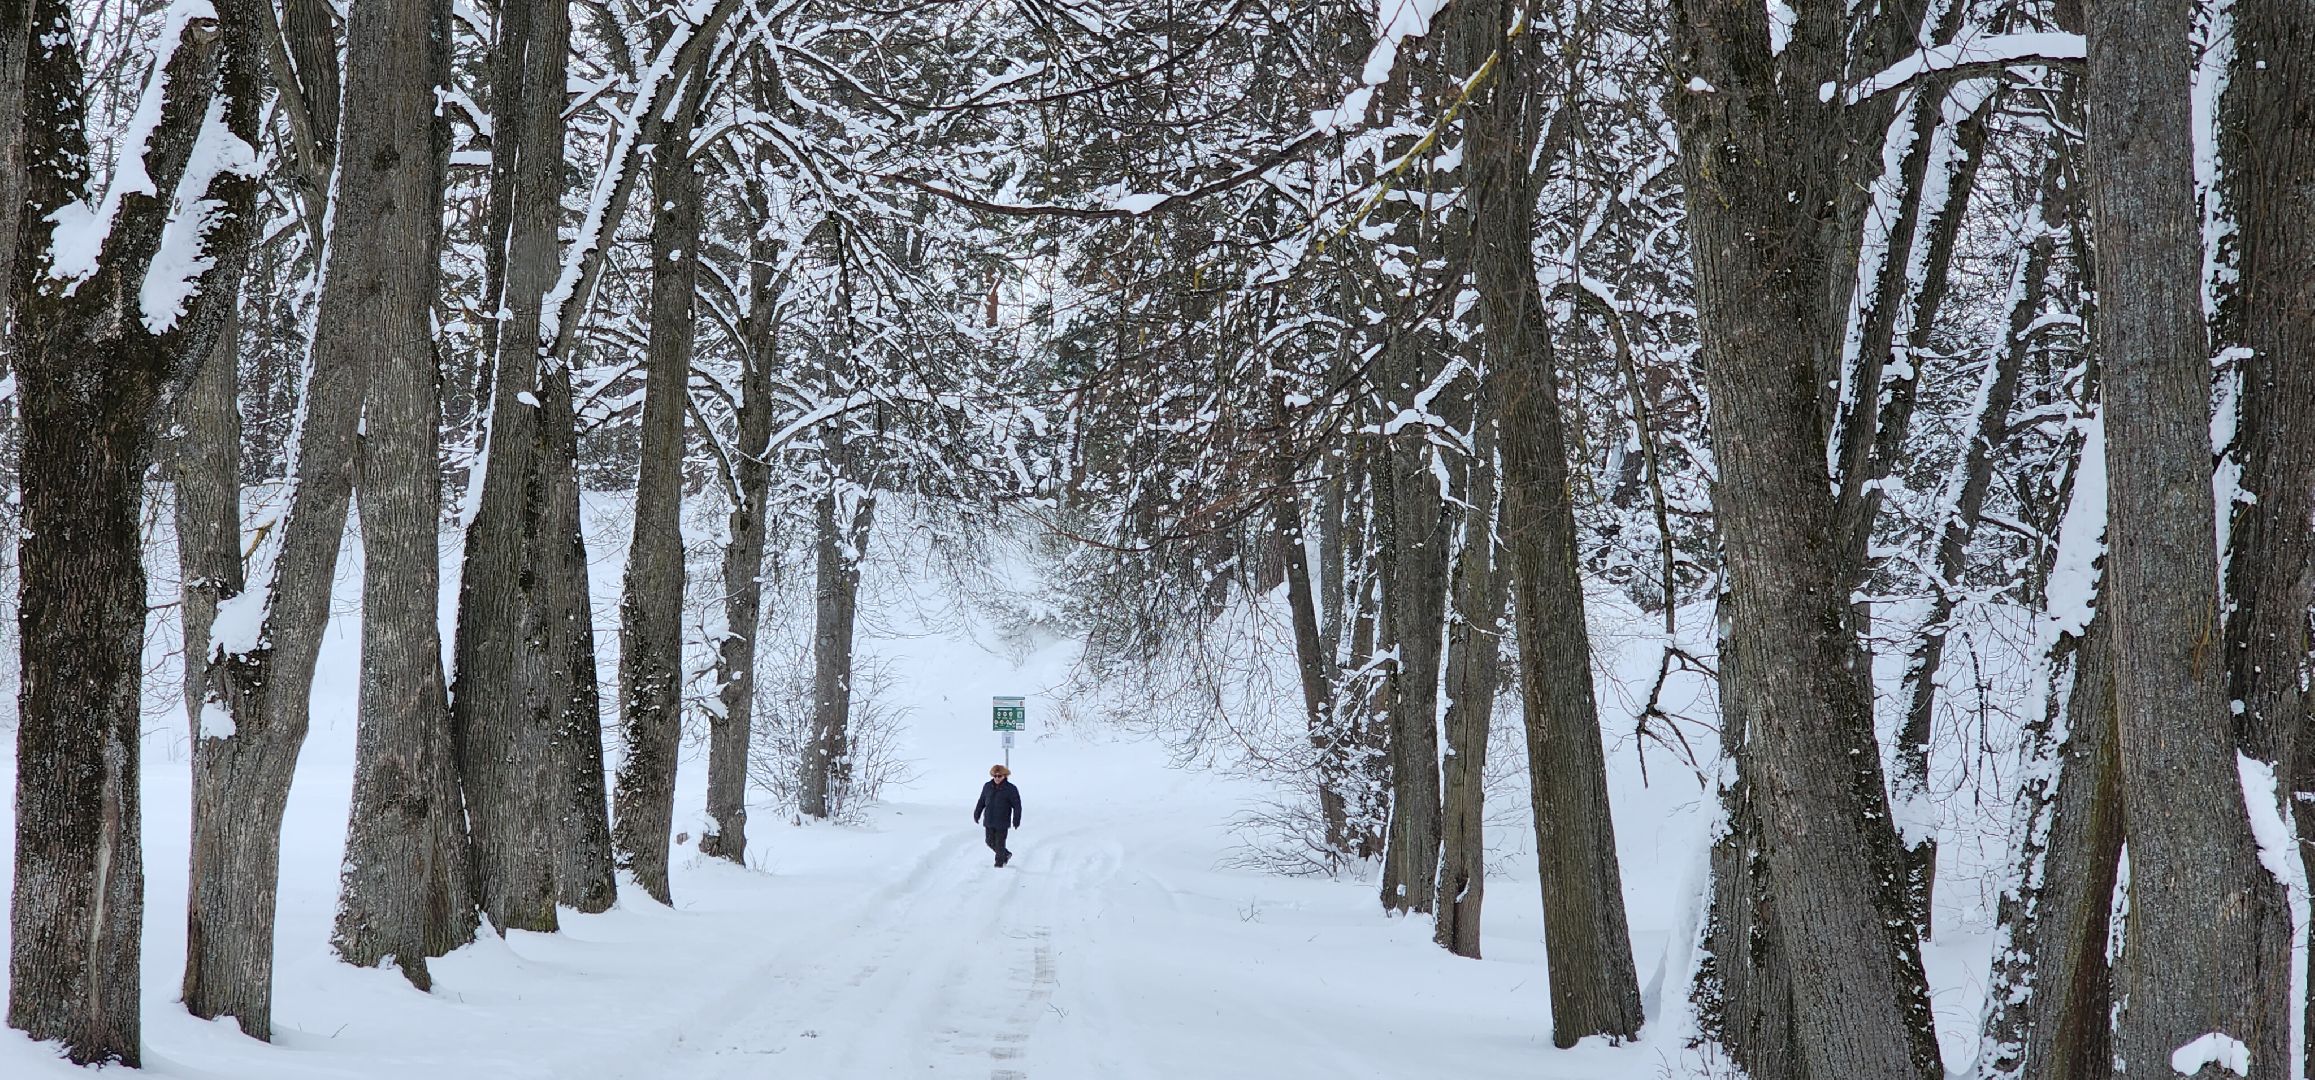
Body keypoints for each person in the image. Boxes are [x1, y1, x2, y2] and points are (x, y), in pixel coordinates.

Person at [973, 765, 1023, 867]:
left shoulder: (1011, 789)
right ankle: (1006, 854)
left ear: (1004, 776)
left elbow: (1017, 806)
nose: (997, 778)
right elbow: (982, 801)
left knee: (1000, 844)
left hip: (1002, 821)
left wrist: (1016, 820)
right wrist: (977, 813)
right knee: (989, 841)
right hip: (989, 820)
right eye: (995, 776)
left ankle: (999, 865)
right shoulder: (987, 786)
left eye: (999, 776)